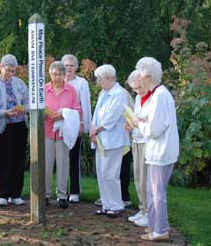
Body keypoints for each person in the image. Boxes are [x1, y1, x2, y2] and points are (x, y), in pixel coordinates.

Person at [131, 57, 179, 242]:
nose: (138, 78)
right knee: (153, 192)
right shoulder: (158, 94)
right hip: (158, 151)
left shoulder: (159, 95)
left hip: (161, 152)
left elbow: (154, 129)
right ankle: (157, 228)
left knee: (157, 194)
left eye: (140, 75)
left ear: (148, 76)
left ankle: (160, 231)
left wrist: (138, 123)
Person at [0, 54, 28, 206]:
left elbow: (29, 103)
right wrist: (5, 112)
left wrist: (23, 110)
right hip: (3, 128)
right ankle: (2, 194)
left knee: (19, 160)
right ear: (0, 67)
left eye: (13, 71)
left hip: (19, 125)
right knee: (4, 161)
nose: (10, 73)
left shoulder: (20, 83)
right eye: (8, 70)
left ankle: (15, 194)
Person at [89, 64, 129, 217]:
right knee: (101, 172)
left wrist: (97, 129)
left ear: (108, 78)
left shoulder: (119, 94)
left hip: (113, 139)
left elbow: (111, 116)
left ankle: (116, 205)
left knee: (110, 173)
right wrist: (93, 130)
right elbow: (97, 114)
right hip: (101, 139)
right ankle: (106, 204)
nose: (98, 82)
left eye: (99, 79)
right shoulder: (103, 93)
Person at [45, 61, 81, 208]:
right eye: (54, 74)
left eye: (59, 75)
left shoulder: (71, 90)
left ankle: (61, 195)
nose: (57, 78)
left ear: (64, 75)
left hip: (63, 132)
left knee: (63, 163)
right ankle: (45, 194)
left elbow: (77, 110)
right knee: (46, 164)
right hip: (47, 130)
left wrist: (63, 115)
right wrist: (45, 114)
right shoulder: (44, 89)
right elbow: (37, 108)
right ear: (50, 74)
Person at [61, 54, 92, 203]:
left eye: (71, 65)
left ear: (76, 67)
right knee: (61, 159)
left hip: (75, 125)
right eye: (66, 65)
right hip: (59, 126)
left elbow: (85, 104)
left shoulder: (81, 83)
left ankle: (74, 191)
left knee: (74, 158)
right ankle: (61, 190)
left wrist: (83, 125)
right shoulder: (57, 81)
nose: (69, 68)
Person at [125, 70, 151, 227]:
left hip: (146, 141)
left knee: (145, 178)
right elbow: (135, 118)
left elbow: (151, 121)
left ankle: (149, 212)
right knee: (137, 177)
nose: (137, 90)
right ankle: (142, 209)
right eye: (134, 88)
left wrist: (138, 121)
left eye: (138, 87)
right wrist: (130, 124)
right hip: (136, 138)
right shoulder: (138, 97)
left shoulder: (153, 98)